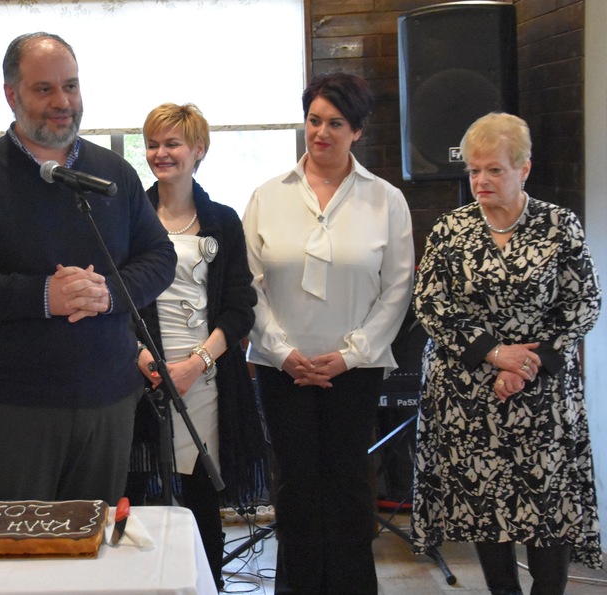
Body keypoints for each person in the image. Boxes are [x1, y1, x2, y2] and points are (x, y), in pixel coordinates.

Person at [0, 32, 176, 505]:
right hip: (11, 409)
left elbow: (160, 258)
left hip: (108, 400)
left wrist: (108, 294)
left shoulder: (113, 172)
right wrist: (41, 296)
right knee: (18, 546)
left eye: (70, 86)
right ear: (11, 95)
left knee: (94, 543)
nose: (63, 102)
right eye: (44, 89)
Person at [411, 112, 602, 594]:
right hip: (469, 394)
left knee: (549, 509)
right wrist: (496, 354)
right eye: (474, 170)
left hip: (542, 395)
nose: (481, 180)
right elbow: (430, 304)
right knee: (485, 507)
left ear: (524, 169)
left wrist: (526, 364)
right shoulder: (450, 229)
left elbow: (584, 303)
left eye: (494, 169)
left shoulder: (559, 225)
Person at [243, 72, 415, 593]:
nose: (321, 133)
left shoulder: (385, 200)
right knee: (295, 486)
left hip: (354, 369)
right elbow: (248, 285)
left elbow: (398, 288)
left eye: (335, 123)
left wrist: (350, 354)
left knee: (347, 485)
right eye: (314, 120)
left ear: (357, 130)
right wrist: (282, 351)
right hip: (282, 369)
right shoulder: (267, 196)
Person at [130, 102, 267, 588]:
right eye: (153, 144)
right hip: (140, 375)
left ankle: (208, 582)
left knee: (201, 496)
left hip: (205, 377)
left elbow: (240, 307)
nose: (160, 154)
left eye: (172, 144)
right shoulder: (130, 217)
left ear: (198, 150)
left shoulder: (223, 221)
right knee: (141, 497)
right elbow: (114, 300)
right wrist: (142, 357)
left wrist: (197, 362)